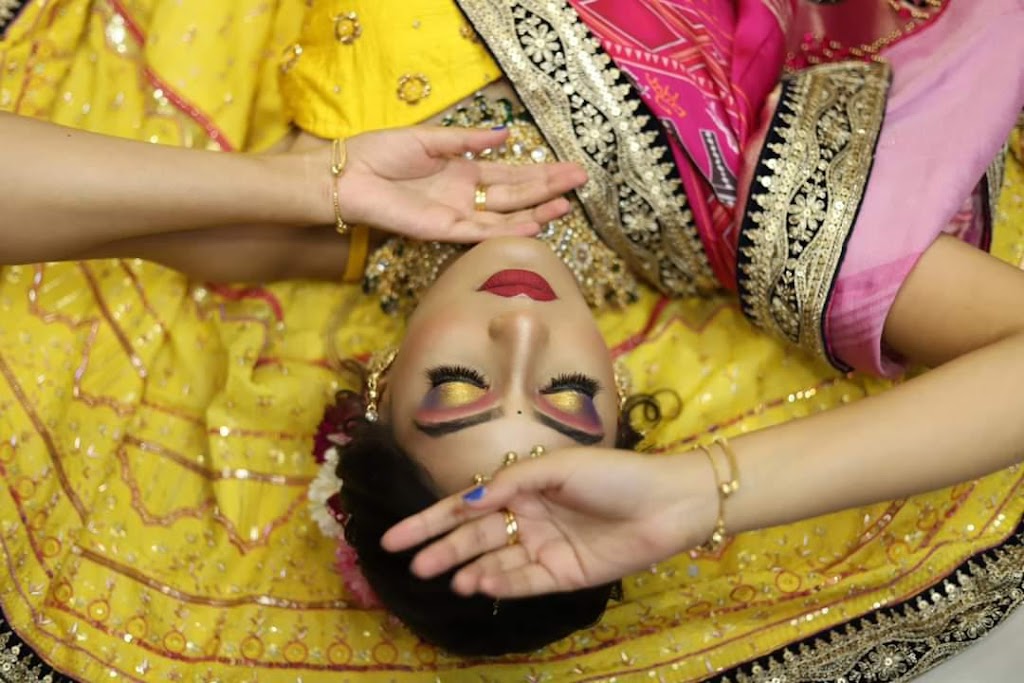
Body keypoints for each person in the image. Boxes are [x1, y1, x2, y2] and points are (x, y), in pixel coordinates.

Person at [1, 0, 1022, 681]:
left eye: (459, 383)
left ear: (380, 384)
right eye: (570, 398)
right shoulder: (753, 228)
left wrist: (308, 180)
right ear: (619, 393)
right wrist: (698, 491)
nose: (524, 328)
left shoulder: (318, 220)